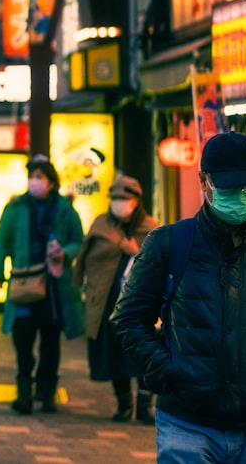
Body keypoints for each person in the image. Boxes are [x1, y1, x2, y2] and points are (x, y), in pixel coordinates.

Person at [112, 131, 246, 461]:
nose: (239, 196)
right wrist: (167, 370)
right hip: (187, 423)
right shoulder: (168, 243)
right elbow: (128, 318)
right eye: (228, 188)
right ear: (204, 182)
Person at [0, 155, 84, 415]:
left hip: (54, 286)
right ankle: (23, 392)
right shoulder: (16, 206)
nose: (35, 182)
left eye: (40, 177)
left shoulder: (65, 208)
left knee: (50, 342)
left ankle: (46, 392)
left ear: (52, 182)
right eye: (32, 176)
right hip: (23, 280)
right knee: (22, 339)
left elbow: (79, 240)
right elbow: (2, 240)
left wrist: (64, 252)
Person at [72, 175, 159, 423]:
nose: (119, 203)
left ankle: (144, 407)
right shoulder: (101, 225)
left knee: (143, 353)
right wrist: (79, 285)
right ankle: (124, 405)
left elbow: (161, 262)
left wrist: (136, 252)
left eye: (124, 198)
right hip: (106, 305)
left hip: (141, 308)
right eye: (115, 198)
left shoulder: (151, 228)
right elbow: (87, 256)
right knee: (113, 355)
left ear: (136, 201)